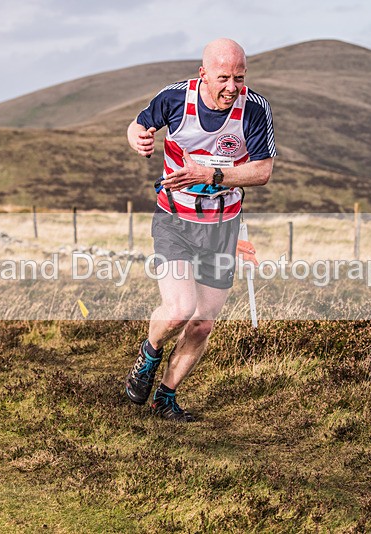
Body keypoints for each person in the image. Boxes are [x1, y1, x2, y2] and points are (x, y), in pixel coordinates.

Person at [124, 38, 276, 422]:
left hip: (223, 227)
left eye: (239, 77)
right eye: (223, 77)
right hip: (175, 220)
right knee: (178, 310)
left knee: (202, 322)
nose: (232, 87)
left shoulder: (254, 110)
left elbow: (262, 171)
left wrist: (210, 174)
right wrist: (138, 137)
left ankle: (166, 397)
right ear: (203, 73)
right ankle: (150, 350)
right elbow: (139, 125)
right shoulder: (174, 99)